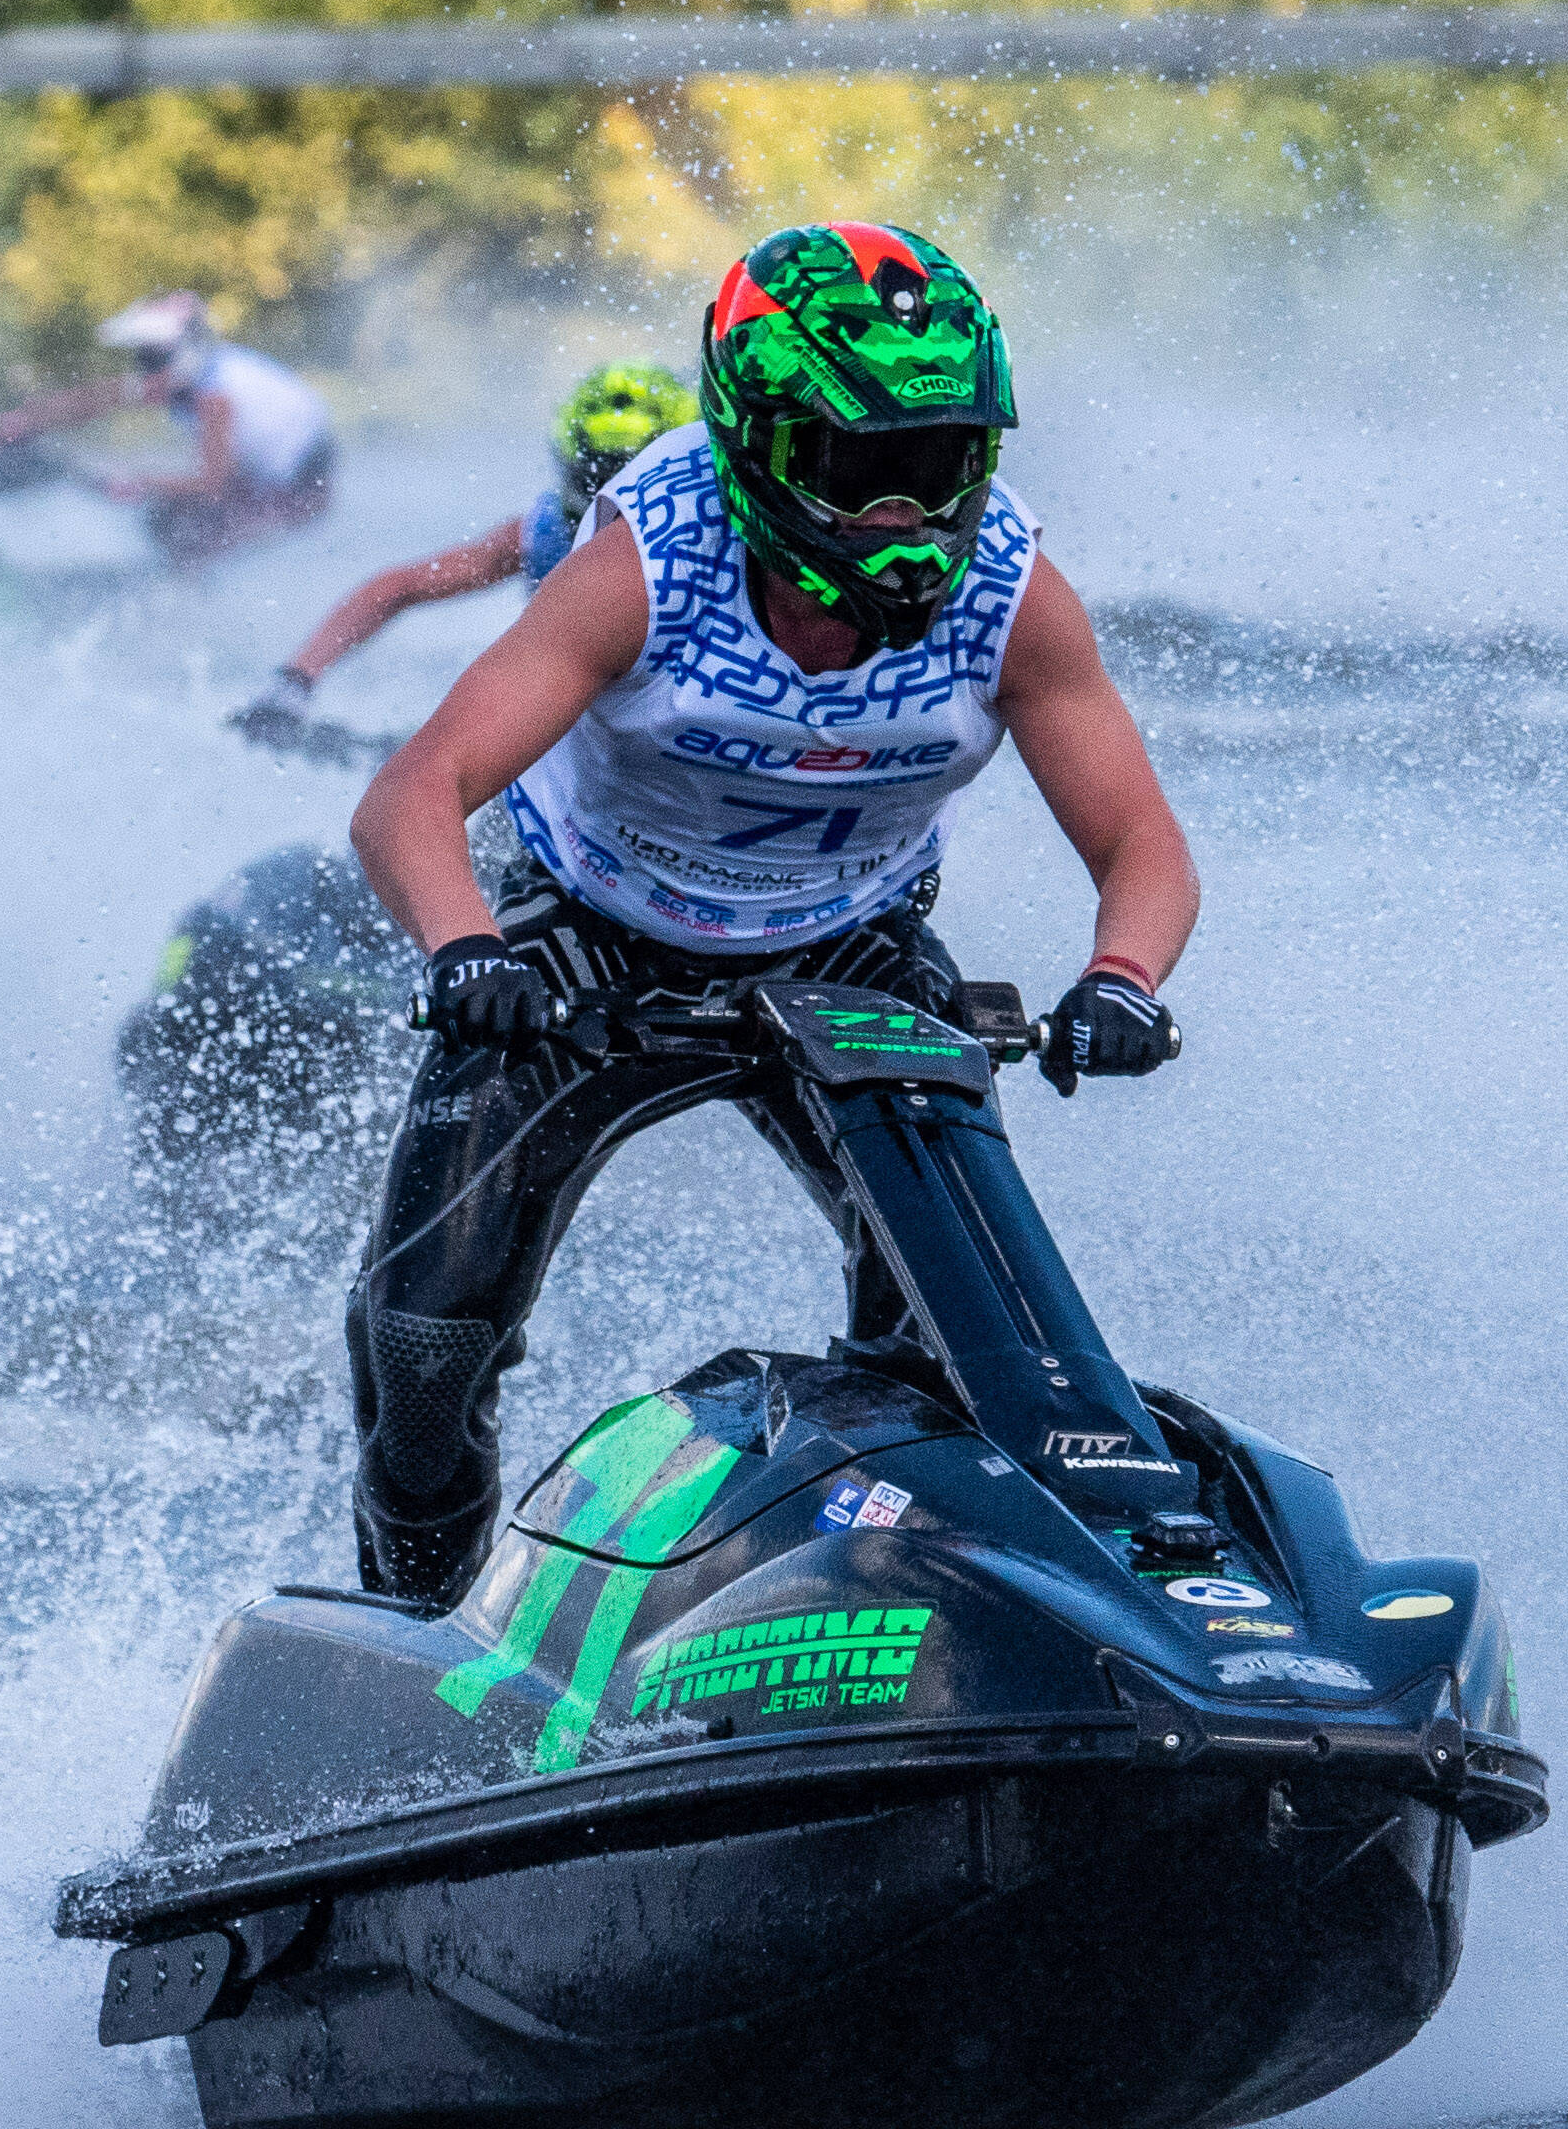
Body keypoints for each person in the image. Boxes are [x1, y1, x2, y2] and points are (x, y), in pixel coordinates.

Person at [333, 221, 1195, 1608]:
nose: (908, 518)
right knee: (422, 1347)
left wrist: (1124, 976)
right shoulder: (645, 565)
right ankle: (414, 1623)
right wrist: (466, 949)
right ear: (763, 449)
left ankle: (926, 1602)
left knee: (958, 1344)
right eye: (864, 472)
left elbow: (1141, 843)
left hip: (849, 945)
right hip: (584, 940)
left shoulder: (1013, 593)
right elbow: (410, 797)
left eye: (942, 464)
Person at [229, 359, 694, 757]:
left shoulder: (717, 545)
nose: (605, 496)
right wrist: (295, 681)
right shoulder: (543, 533)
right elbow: (398, 588)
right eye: (592, 474)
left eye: (624, 475)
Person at [0, 290, 338, 567]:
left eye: (150, 358)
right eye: (142, 358)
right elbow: (106, 396)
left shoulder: (214, 395)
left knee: (182, 530)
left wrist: (138, 482)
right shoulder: (195, 368)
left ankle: (185, 607)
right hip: (280, 476)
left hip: (301, 494)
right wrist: (28, 419)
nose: (144, 369)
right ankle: (181, 589)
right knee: (172, 521)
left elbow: (213, 485)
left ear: (180, 352)